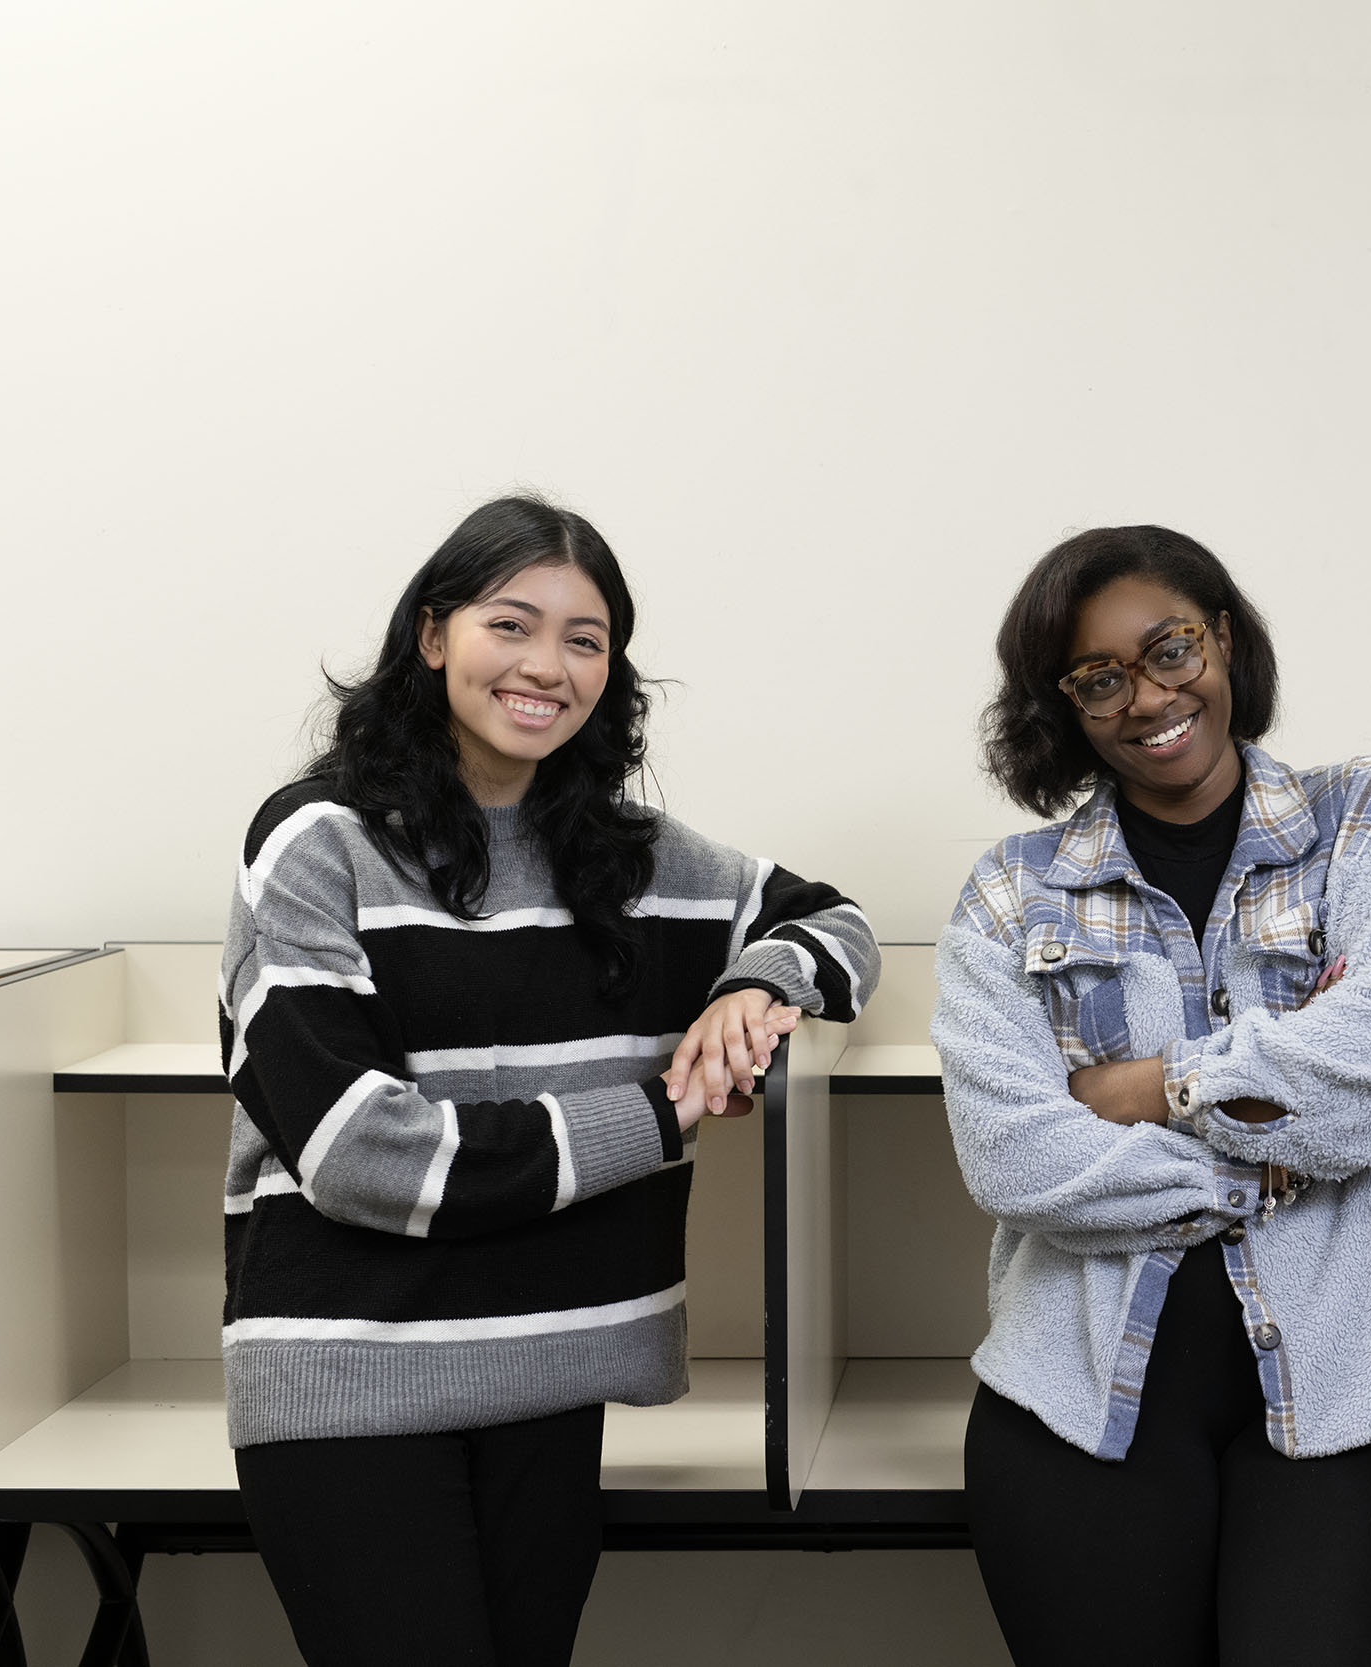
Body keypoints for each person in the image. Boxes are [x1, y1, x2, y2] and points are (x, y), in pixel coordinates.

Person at [219, 496, 878, 1667]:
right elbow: (364, 1155)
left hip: (553, 1366)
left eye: (584, 638)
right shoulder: (319, 841)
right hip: (352, 1376)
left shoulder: (631, 857)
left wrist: (751, 985)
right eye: (509, 623)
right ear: (432, 636)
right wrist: (662, 1111)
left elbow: (831, 920)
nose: (546, 665)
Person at [933, 525, 1371, 1667]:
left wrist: (1152, 1085)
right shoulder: (1009, 893)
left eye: (1170, 648)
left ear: (1221, 640)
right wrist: (1277, 1146)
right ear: (1065, 705)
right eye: (1099, 678)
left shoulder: (1366, 820)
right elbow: (1014, 1160)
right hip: (1077, 1401)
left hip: (1351, 1387)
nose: (1148, 696)